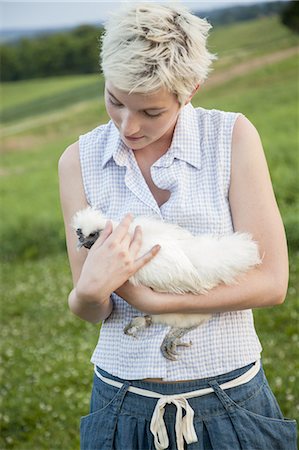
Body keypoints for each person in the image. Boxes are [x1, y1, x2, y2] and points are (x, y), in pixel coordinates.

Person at [58, 3, 297, 449]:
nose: (128, 126)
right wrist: (88, 294)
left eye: (150, 112)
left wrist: (152, 300)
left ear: (190, 91)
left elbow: (272, 282)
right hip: (121, 401)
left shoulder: (232, 137)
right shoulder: (78, 160)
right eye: (115, 101)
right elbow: (91, 307)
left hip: (229, 399)